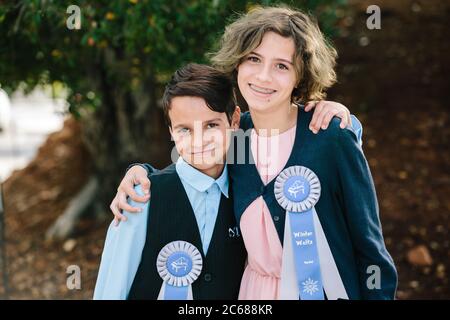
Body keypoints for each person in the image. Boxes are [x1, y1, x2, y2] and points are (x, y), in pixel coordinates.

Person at [110, 6, 397, 299]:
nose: (263, 76)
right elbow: (190, 163)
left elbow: (370, 250)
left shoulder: (329, 138)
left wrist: (349, 124)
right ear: (237, 62)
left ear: (301, 75)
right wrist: (141, 172)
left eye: (282, 66)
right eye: (254, 59)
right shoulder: (236, 137)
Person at [94, 64, 247, 300]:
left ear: (234, 121)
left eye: (211, 125)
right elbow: (112, 288)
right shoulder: (141, 197)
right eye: (185, 129)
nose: (199, 141)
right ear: (171, 131)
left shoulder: (247, 190)